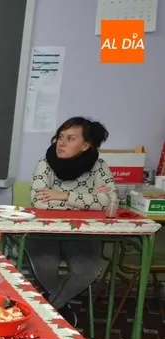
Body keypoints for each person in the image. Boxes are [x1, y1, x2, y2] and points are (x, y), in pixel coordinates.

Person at [27, 117, 115, 325]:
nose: (61, 142)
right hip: (44, 233)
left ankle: (49, 309)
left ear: (85, 145)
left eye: (70, 138)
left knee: (88, 270)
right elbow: (39, 203)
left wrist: (63, 196)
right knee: (45, 267)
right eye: (60, 137)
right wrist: (89, 200)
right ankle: (60, 306)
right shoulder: (45, 164)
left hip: (82, 234)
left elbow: (109, 202)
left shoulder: (99, 167)